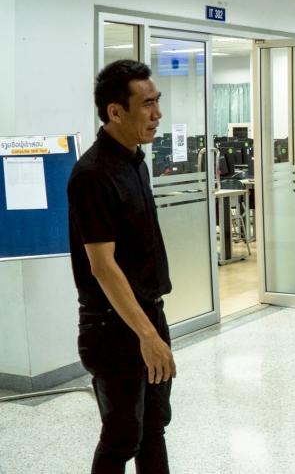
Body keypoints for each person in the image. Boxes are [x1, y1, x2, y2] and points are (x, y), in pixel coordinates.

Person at [67, 59, 176, 474]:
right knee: (121, 437)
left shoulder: (136, 162)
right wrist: (146, 335)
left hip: (148, 314)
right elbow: (103, 266)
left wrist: (152, 328)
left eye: (157, 101)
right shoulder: (92, 175)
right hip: (112, 328)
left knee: (154, 427)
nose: (157, 113)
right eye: (147, 104)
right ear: (115, 111)